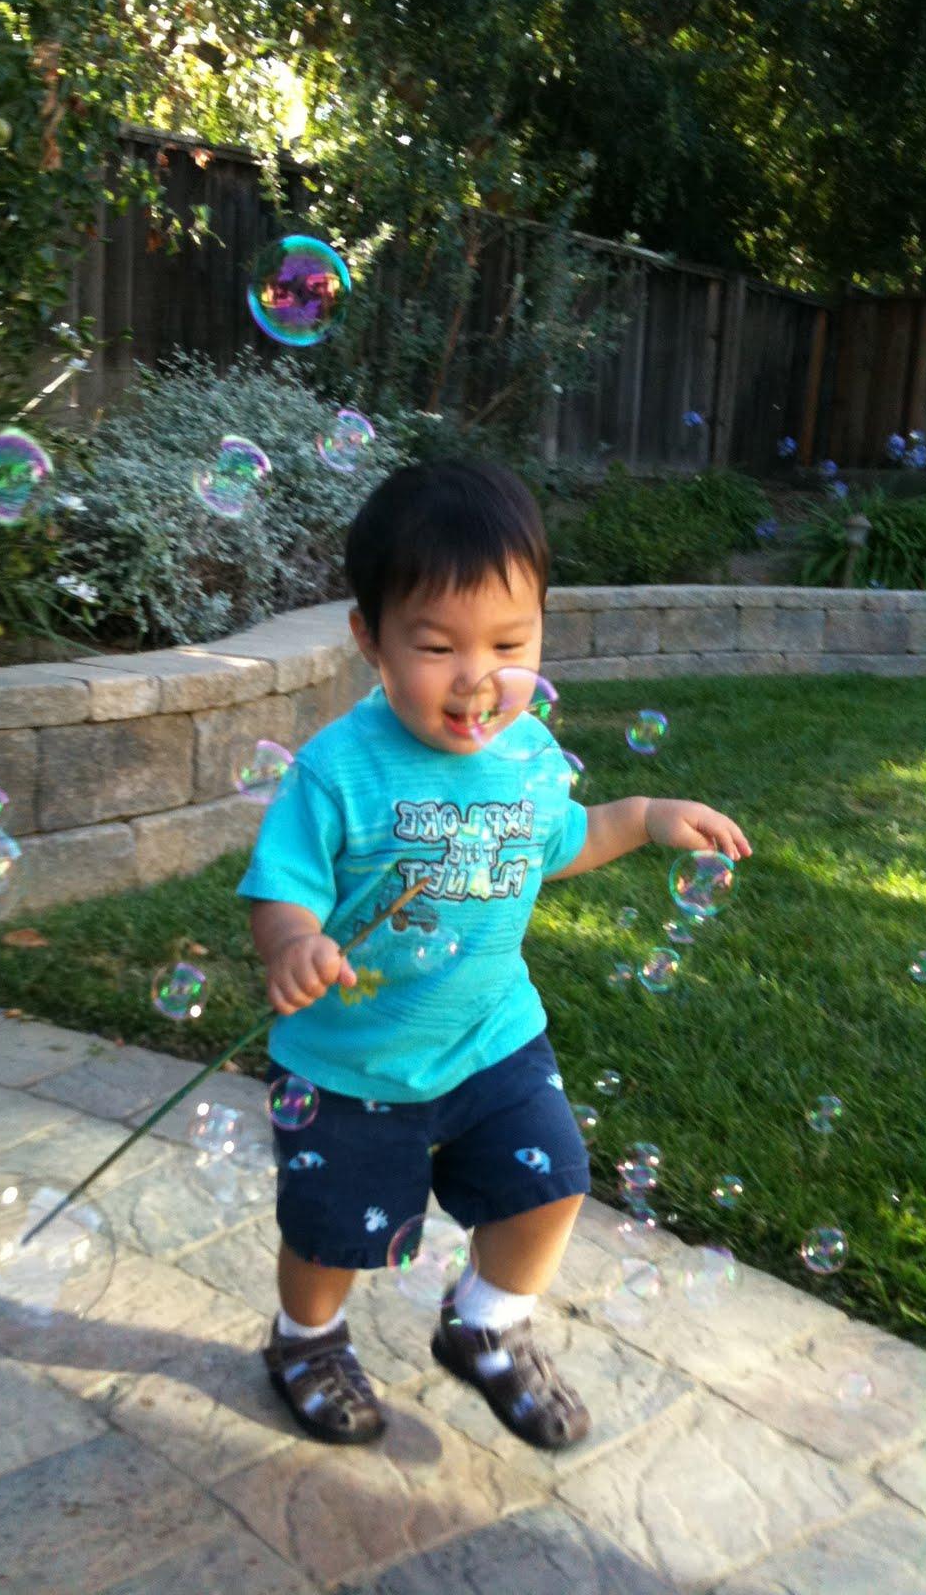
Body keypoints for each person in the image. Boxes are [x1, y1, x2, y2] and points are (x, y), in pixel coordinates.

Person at [236, 459, 751, 1449]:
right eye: (436, 645)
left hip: (491, 1038)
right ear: (370, 641)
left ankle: (488, 1325)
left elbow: (557, 845)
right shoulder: (340, 768)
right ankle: (305, 1336)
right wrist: (295, 940)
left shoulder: (527, 751)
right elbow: (281, 883)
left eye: (511, 642)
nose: (478, 676)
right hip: (350, 1066)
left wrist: (644, 817)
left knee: (553, 1178)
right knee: (331, 1231)